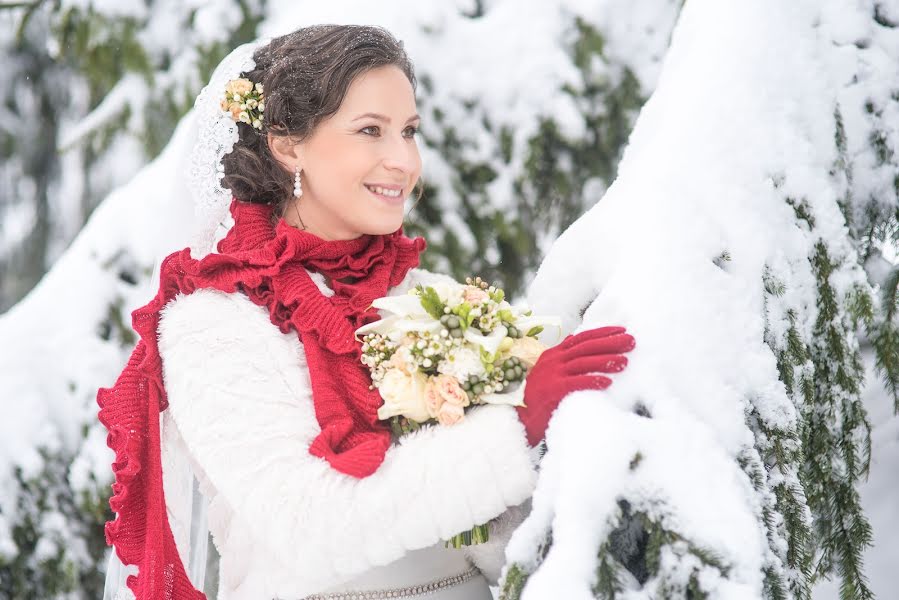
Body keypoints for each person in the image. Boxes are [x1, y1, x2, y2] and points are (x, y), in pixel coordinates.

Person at [97, 25, 636, 600]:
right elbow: (314, 528)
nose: (403, 160)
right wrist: (515, 424)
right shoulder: (213, 323)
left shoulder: (424, 293)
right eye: (370, 131)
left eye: (408, 132)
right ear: (286, 144)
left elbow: (489, 531)